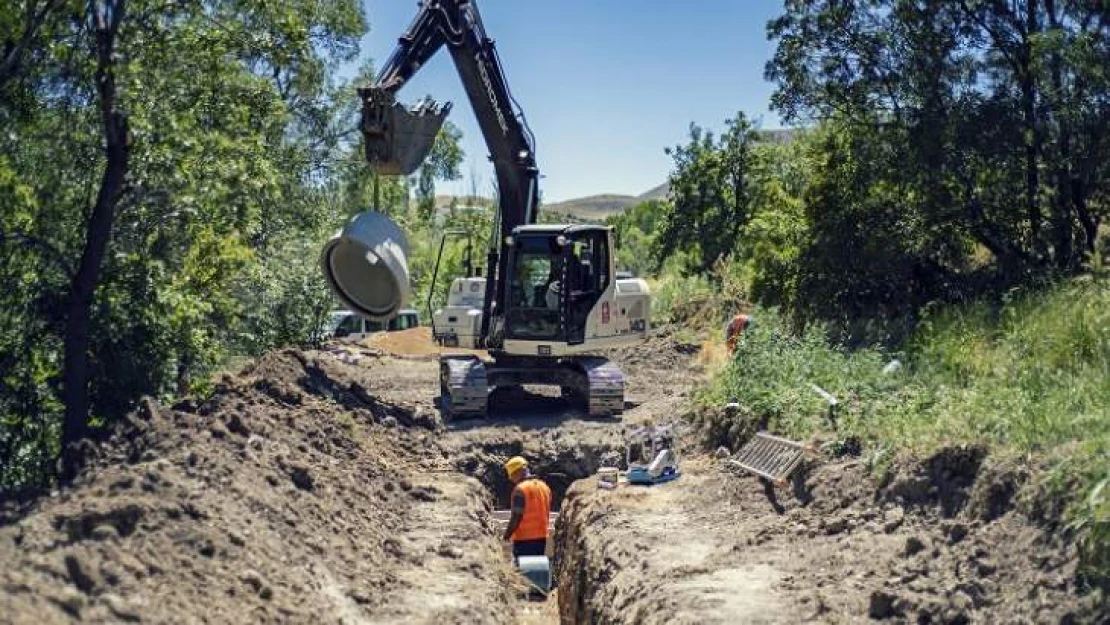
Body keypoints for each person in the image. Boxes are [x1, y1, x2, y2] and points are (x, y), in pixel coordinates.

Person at [501, 456, 552, 562]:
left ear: (518, 471)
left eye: (511, 475)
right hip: (541, 538)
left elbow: (516, 517)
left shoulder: (520, 490)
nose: (511, 479)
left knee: (524, 572)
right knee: (536, 571)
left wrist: (506, 536)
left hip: (524, 540)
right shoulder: (544, 487)